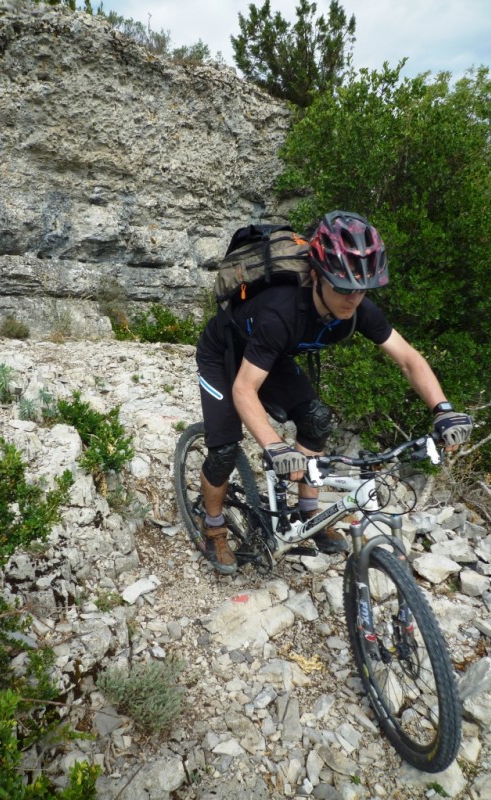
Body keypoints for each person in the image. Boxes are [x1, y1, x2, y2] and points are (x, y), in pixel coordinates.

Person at [195, 210, 473, 575]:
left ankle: (309, 513)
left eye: (363, 288)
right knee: (224, 449)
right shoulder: (281, 313)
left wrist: (442, 408)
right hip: (223, 354)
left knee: (317, 420)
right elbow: (245, 389)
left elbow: (408, 359)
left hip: (270, 355)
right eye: (343, 287)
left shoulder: (358, 310)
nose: (353, 298)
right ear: (316, 276)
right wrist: (275, 446)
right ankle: (213, 525)